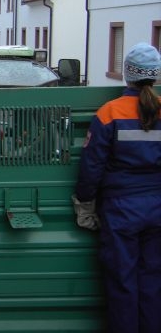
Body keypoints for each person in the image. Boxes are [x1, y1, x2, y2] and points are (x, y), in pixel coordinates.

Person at [73, 42, 161, 333]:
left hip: (121, 211)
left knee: (122, 284)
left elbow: (92, 166)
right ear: (155, 75)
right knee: (153, 284)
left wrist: (85, 203)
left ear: (127, 74)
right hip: (157, 208)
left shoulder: (110, 113)